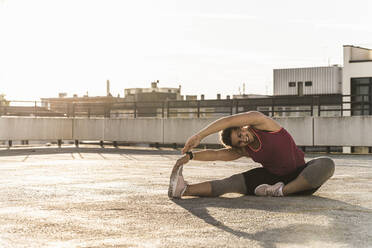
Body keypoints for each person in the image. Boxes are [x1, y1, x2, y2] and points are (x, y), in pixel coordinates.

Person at [168, 111, 335, 199]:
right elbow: (218, 155)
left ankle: (282, 192)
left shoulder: (261, 122)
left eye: (240, 135)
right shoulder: (244, 149)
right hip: (271, 180)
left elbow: (228, 121)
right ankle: (183, 190)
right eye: (239, 142)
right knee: (230, 183)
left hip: (300, 178)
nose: (243, 139)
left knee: (326, 164)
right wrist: (190, 156)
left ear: (241, 127)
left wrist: (199, 136)